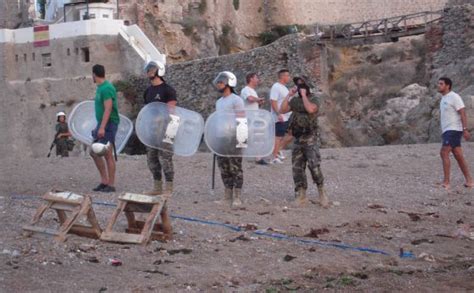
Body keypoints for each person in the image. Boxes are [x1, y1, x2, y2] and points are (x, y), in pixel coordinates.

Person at [280, 77, 329, 207]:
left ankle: (322, 193)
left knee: (314, 166)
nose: (300, 87)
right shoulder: (295, 101)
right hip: (297, 139)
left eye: (303, 85)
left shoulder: (314, 98)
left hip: (310, 138)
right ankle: (300, 195)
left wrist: (304, 96)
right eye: (298, 85)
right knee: (297, 168)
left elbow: (311, 109)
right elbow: (282, 110)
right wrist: (289, 95)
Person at [142, 60, 178, 195]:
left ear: (159, 71)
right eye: (148, 69)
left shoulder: (168, 90)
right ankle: (157, 187)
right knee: (151, 159)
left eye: (152, 69)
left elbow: (171, 112)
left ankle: (168, 188)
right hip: (151, 130)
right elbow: (146, 111)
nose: (149, 72)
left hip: (166, 129)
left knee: (166, 159)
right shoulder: (148, 91)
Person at [213, 71, 245, 208]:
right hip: (221, 138)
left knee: (235, 167)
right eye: (218, 81)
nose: (219, 84)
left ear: (229, 83)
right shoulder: (219, 102)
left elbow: (241, 119)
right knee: (224, 167)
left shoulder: (236, 100)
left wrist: (241, 138)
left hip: (233, 137)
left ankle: (237, 197)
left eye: (222, 81)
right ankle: (227, 196)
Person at [438, 77, 473, 189]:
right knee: (458, 155)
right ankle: (470, 181)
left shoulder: (454, 97)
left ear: (448, 86)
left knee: (444, 152)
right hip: (447, 130)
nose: (439, 85)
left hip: (453, 129)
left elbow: (462, 112)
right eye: (438, 83)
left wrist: (465, 129)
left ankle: (446, 182)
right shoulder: (443, 98)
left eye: (441, 84)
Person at [90, 64, 120, 193]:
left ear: (94, 74)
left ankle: (111, 184)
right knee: (93, 152)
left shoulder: (107, 88)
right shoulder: (100, 87)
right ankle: (104, 181)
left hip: (109, 124)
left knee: (107, 153)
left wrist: (102, 127)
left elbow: (108, 108)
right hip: (102, 123)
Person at [240, 72, 267, 165]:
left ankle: (258, 158)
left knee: (255, 138)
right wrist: (258, 99)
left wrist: (259, 102)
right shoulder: (245, 90)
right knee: (243, 139)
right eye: (256, 78)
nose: (258, 79)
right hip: (247, 118)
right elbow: (250, 99)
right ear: (251, 79)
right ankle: (239, 157)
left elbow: (253, 102)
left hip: (253, 118)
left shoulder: (253, 91)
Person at [270, 69, 294, 164]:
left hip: (287, 116)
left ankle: (277, 150)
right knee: (278, 137)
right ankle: (274, 157)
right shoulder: (276, 86)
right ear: (282, 76)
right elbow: (273, 101)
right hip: (280, 117)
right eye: (287, 76)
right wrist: (278, 114)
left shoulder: (284, 88)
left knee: (291, 134)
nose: (289, 78)